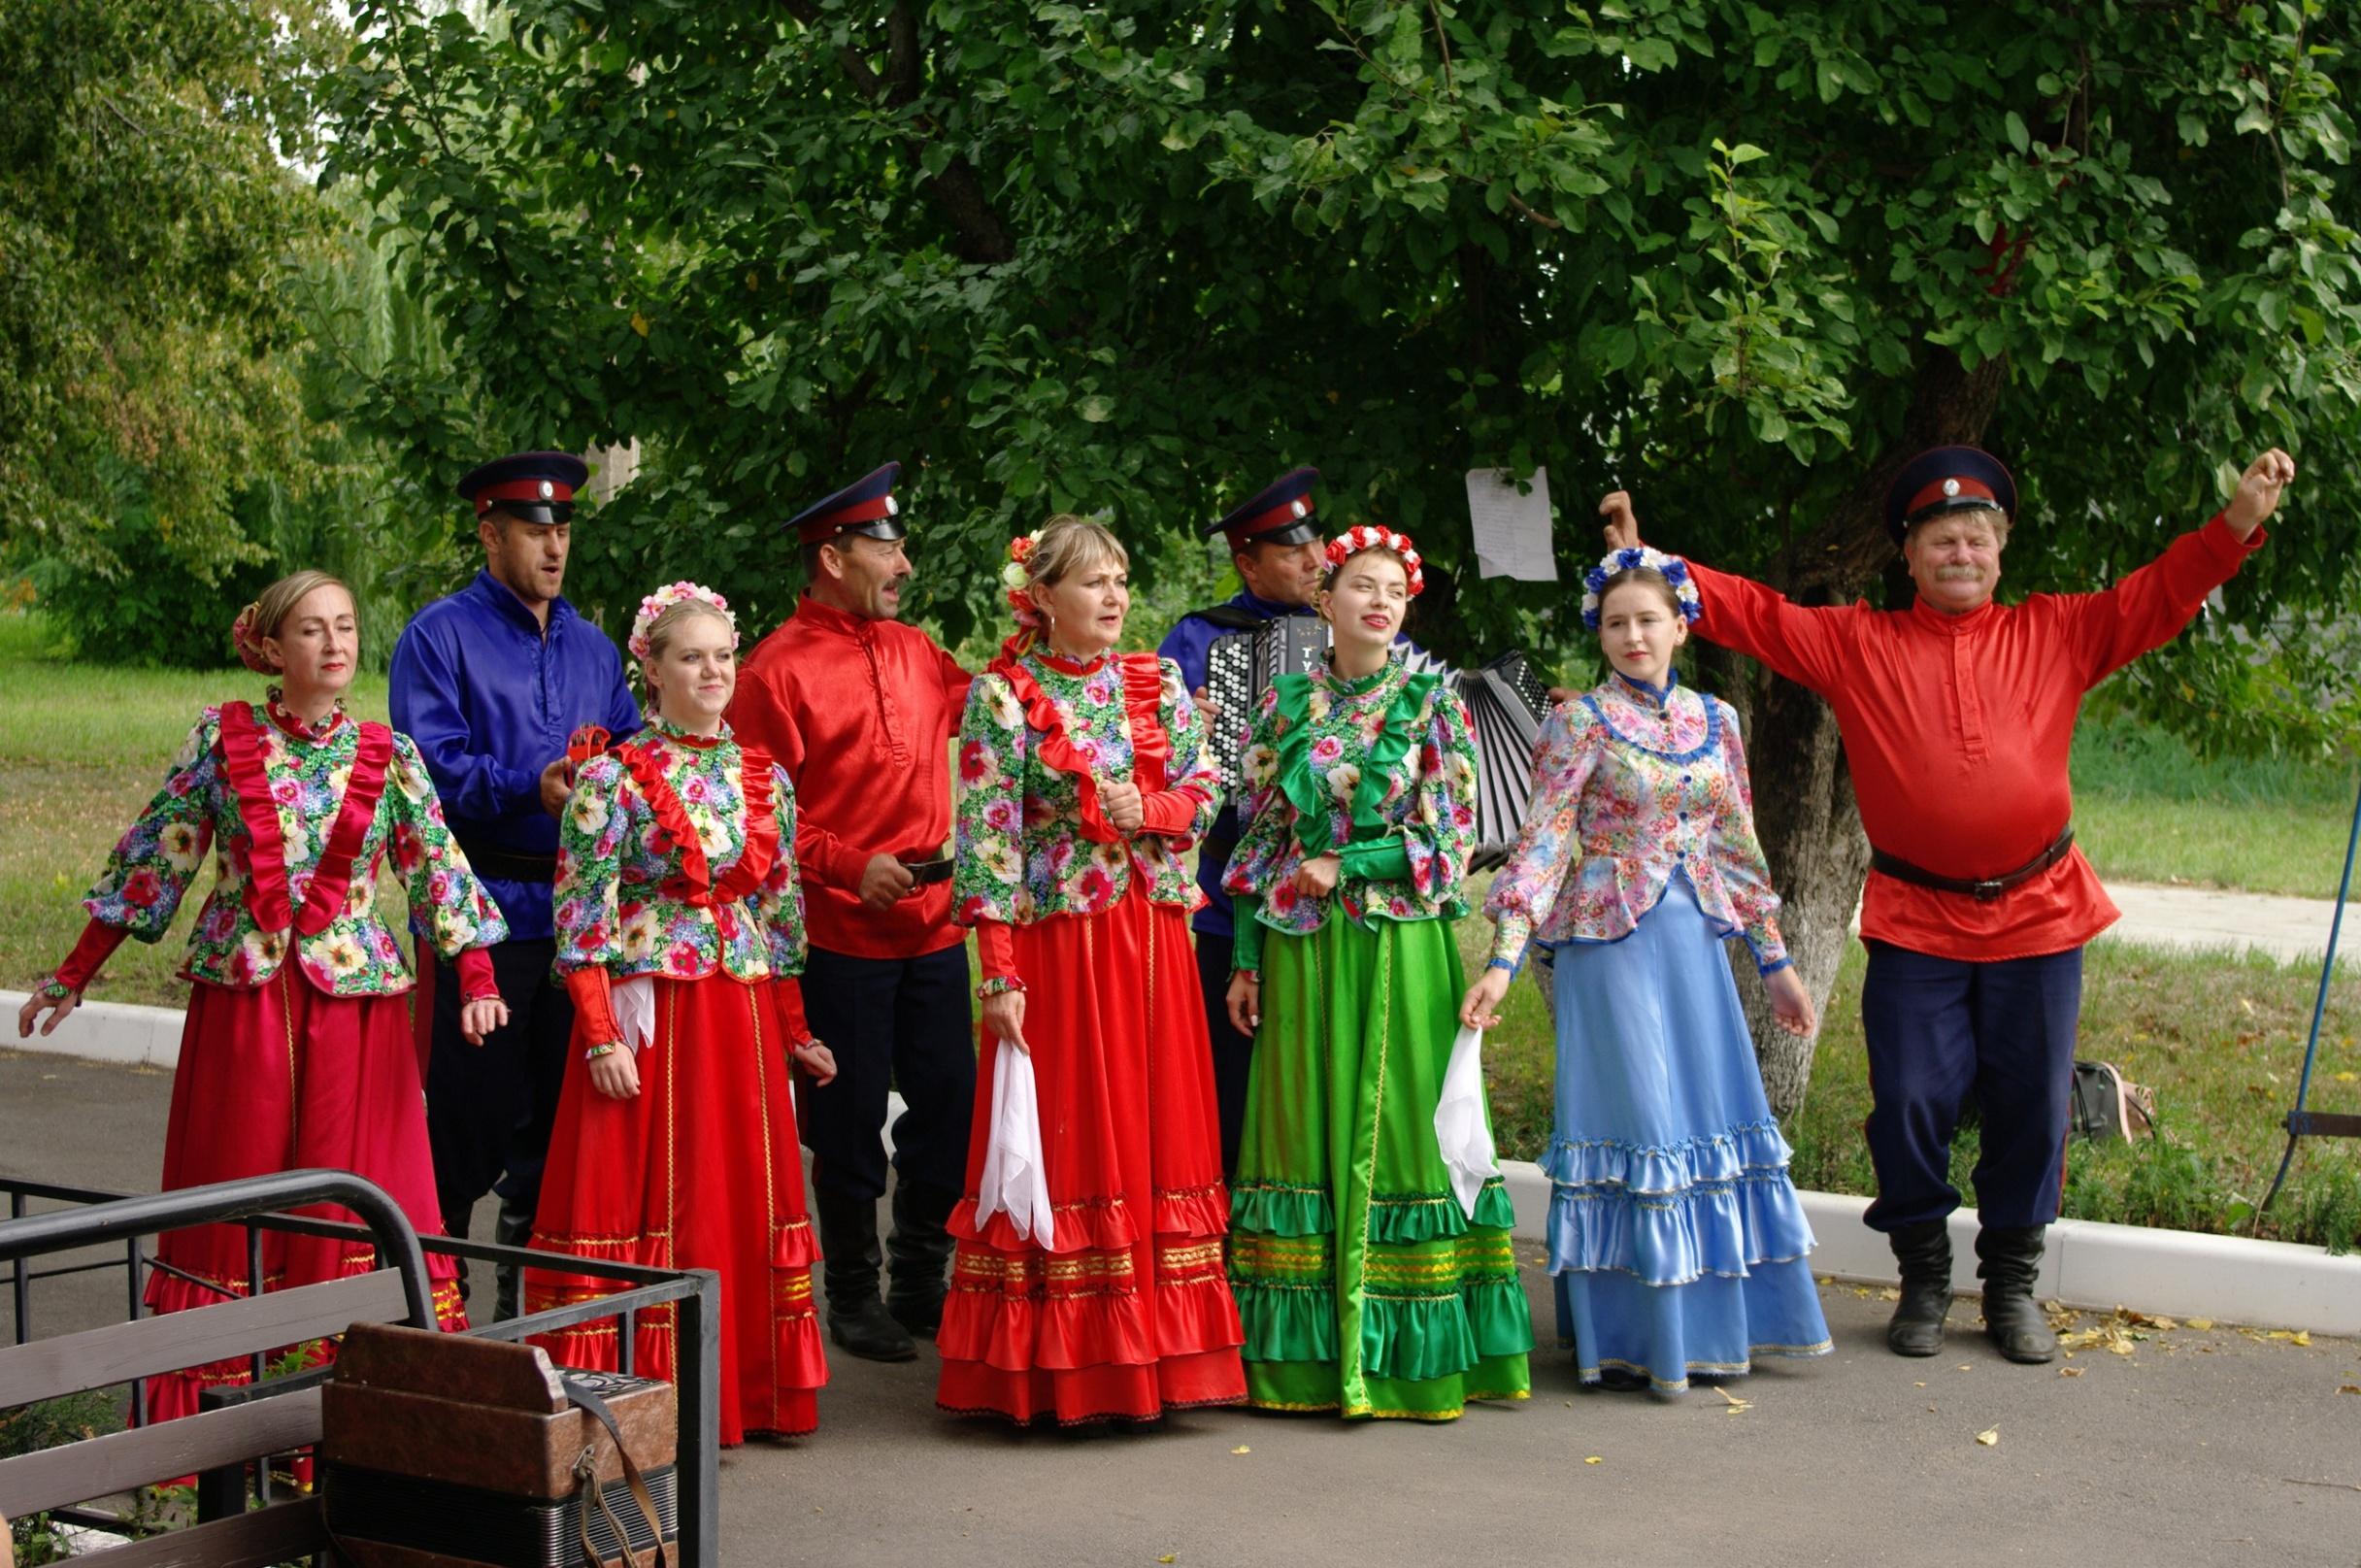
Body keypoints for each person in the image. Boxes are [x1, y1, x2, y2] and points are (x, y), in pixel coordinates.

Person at [1602, 446, 2292, 1363]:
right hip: (1917, 918)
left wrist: (2238, 521)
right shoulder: (1861, 644)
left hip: (2041, 912)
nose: (1958, 552)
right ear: (1910, 557)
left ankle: (2011, 1284)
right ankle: (1923, 1275)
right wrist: (1657, 569)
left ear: (2000, 551)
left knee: (2032, 1107)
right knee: (1912, 1100)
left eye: (1975, 536)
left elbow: (2158, 594)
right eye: (1939, 539)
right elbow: (1760, 616)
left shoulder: (2059, 630)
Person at [17, 571, 508, 1418]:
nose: (336, 644)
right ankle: (216, 1407)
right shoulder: (220, 740)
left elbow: (438, 874)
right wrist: (74, 972)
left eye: (346, 626)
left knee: (349, 1192)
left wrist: (476, 979)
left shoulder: (390, 757)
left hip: (356, 1011)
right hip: (245, 1004)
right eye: (313, 629)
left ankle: (359, 1404)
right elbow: (155, 858)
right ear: (273, 650)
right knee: (238, 1185)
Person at [1459, 547, 1830, 1394]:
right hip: (1609, 949)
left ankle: (1718, 1326)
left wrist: (1775, 964)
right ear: (1600, 630)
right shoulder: (1579, 720)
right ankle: (1639, 1336)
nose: (1633, 635)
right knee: (1645, 1123)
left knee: (1703, 1115)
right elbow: (1546, 839)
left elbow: (1738, 846)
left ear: (1681, 625)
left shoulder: (1719, 721)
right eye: (1616, 622)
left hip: (1696, 946)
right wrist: (1505, 960)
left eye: (1648, 619)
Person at [937, 514, 1246, 1426]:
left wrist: (1143, 802)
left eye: (1119, 578)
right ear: (1040, 597)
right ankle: (1068, 1367)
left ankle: (1154, 1357)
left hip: (1148, 939)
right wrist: (997, 973)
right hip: (1058, 948)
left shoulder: (1154, 684)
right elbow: (988, 843)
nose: (1114, 597)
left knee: (1152, 1128)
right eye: (1092, 583)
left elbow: (1203, 791)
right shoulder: (1001, 698)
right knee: (1070, 1130)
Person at [1222, 524, 1534, 1420]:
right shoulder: (1284, 709)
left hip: (1398, 951)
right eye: (1362, 584)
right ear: (1325, 601)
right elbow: (1264, 843)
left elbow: (1449, 840)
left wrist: (1348, 865)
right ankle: (1306, 1363)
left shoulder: (1436, 706)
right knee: (1300, 1135)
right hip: (1303, 950)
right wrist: (1245, 958)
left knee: (1397, 1134)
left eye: (1395, 589)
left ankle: (1405, 1362)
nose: (1381, 601)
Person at [523, 582, 836, 1445]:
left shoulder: (765, 777)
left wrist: (796, 1030)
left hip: (735, 1011)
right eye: (690, 656)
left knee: (736, 1191)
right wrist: (598, 1035)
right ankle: (639, 1400)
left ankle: (744, 1390)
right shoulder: (610, 778)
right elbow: (580, 915)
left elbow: (780, 917)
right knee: (656, 1194)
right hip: (650, 1009)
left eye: (723, 656)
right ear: (649, 671)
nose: (711, 671)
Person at [726, 461, 976, 1363]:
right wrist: (842, 865)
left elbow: (993, 711)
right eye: (887, 545)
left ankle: (920, 1272)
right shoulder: (773, 669)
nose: (903, 561)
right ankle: (852, 1290)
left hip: (938, 923)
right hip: (838, 934)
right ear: (833, 555)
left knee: (952, 1099)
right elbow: (750, 814)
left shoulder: (914, 648)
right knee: (850, 1117)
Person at [388, 450, 640, 1318]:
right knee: (467, 1122)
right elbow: (425, 774)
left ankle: (527, 1311)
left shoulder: (595, 646)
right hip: (479, 913)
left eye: (563, 528)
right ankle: (434, 1315)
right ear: (491, 533)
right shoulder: (438, 636)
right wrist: (527, 783)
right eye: (535, 530)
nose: (554, 545)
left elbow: (634, 759)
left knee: (558, 1130)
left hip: (577, 923)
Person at [1156, 468, 1328, 1176]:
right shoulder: (1198, 638)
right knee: (1230, 1089)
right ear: (1247, 562)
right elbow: (1161, 771)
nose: (1316, 559)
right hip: (1231, 906)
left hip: (1331, 905)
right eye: (1292, 551)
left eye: (1316, 541)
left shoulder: (1349, 628)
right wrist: (1187, 738)